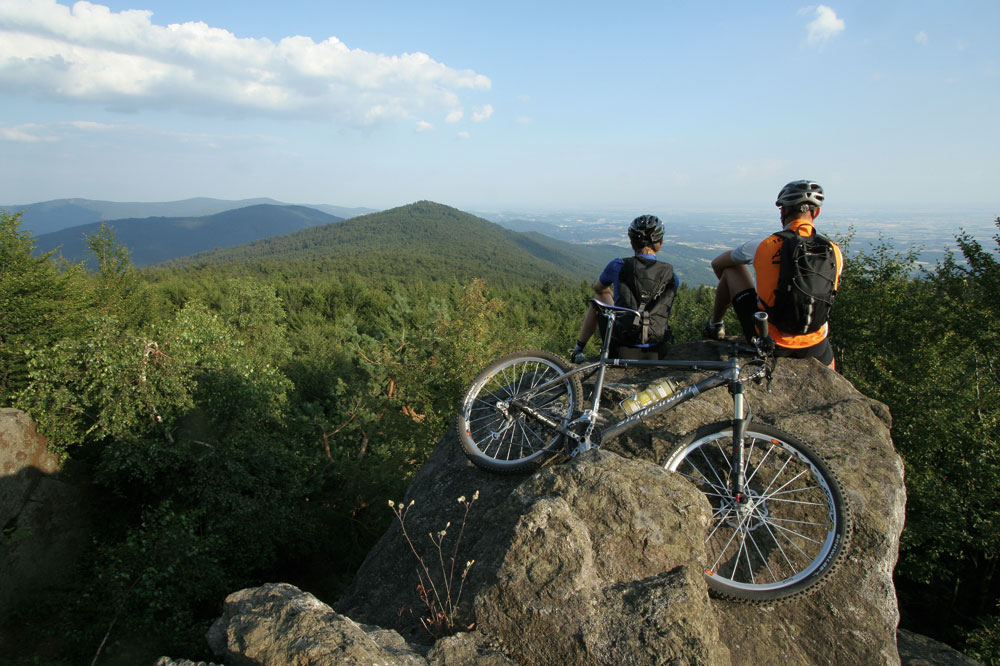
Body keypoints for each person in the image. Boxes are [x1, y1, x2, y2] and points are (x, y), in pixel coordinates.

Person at [703, 180, 843, 369]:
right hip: (815, 345)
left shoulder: (763, 245)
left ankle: (716, 325)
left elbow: (718, 263)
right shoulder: (833, 251)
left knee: (731, 270)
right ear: (816, 212)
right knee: (829, 369)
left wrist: (747, 293)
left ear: (783, 211)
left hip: (769, 339)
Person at [571, 215, 678, 362]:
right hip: (657, 348)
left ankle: (578, 350)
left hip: (622, 344)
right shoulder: (671, 276)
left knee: (598, 298)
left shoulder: (618, 266)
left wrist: (610, 294)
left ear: (632, 243)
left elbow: (597, 287)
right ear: (660, 243)